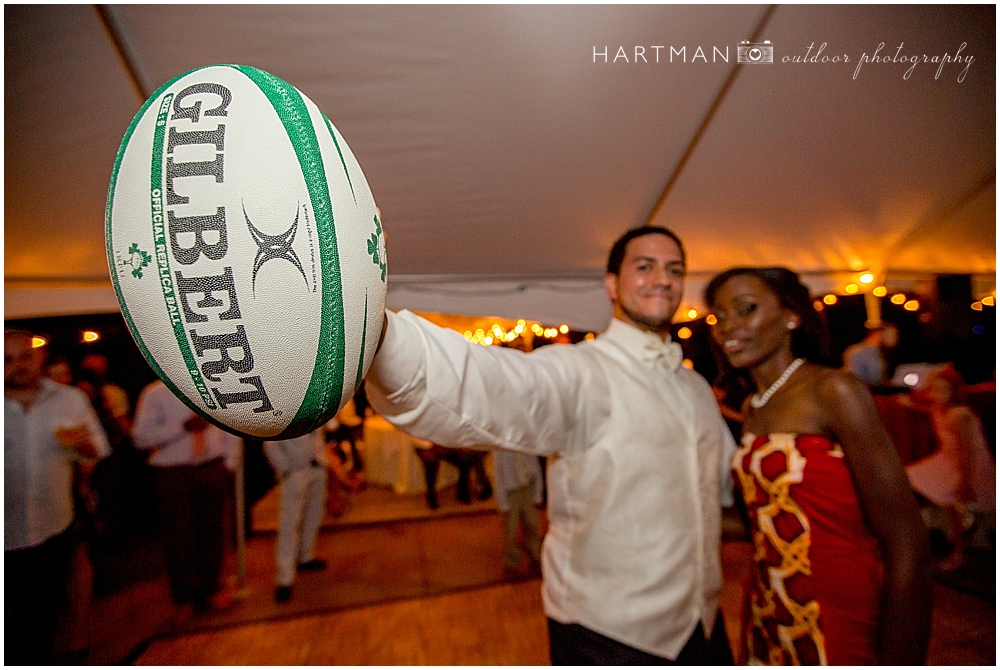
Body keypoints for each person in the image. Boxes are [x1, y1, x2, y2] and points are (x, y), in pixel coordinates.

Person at [365, 226, 736, 664]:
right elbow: (495, 385)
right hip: (607, 634)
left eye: (674, 269)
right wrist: (378, 332)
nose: (662, 279)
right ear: (612, 284)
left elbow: (724, 487)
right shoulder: (582, 373)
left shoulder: (694, 386)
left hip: (704, 625)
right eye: (644, 266)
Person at [705, 267, 932, 665]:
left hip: (833, 609)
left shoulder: (833, 390)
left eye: (746, 309)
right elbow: (766, 516)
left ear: (791, 316)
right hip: (768, 604)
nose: (728, 326)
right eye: (719, 316)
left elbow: (906, 542)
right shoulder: (753, 407)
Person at [5, 329, 110, 664]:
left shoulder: (70, 399)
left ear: (39, 358)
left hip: (53, 531)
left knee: (43, 622)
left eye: (25, 356)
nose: (18, 365)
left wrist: (82, 446)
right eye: (7, 359)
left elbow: (97, 451)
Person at [131, 380, 240, 621]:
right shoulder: (155, 393)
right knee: (179, 535)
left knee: (212, 532)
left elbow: (232, 427)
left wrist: (229, 464)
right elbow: (140, 438)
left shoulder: (216, 385)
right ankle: (185, 597)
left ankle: (212, 589)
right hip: (173, 472)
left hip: (211, 467)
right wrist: (183, 427)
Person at [905, 365, 996, 570]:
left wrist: (966, 480)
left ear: (954, 393)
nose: (938, 394)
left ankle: (959, 552)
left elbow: (969, 451)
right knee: (912, 478)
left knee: (956, 504)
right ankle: (959, 540)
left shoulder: (959, 415)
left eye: (943, 390)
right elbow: (918, 401)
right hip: (947, 458)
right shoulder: (937, 408)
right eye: (934, 390)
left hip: (968, 463)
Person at [263, 429, 329, 603]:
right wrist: (285, 469)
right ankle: (284, 577)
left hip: (317, 464)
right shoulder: (285, 409)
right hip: (295, 470)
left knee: (314, 514)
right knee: (289, 524)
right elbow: (270, 443)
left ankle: (306, 556)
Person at [492, 448, 543, 579]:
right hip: (510, 491)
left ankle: (534, 555)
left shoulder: (526, 443)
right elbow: (498, 474)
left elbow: (535, 467)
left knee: (531, 524)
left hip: (526, 488)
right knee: (510, 529)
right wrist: (502, 502)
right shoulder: (499, 449)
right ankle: (511, 561)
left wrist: (537, 494)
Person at [842, 322, 899, 386]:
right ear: (879, 333)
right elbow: (854, 380)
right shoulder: (858, 353)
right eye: (892, 334)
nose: (895, 339)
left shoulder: (879, 353)